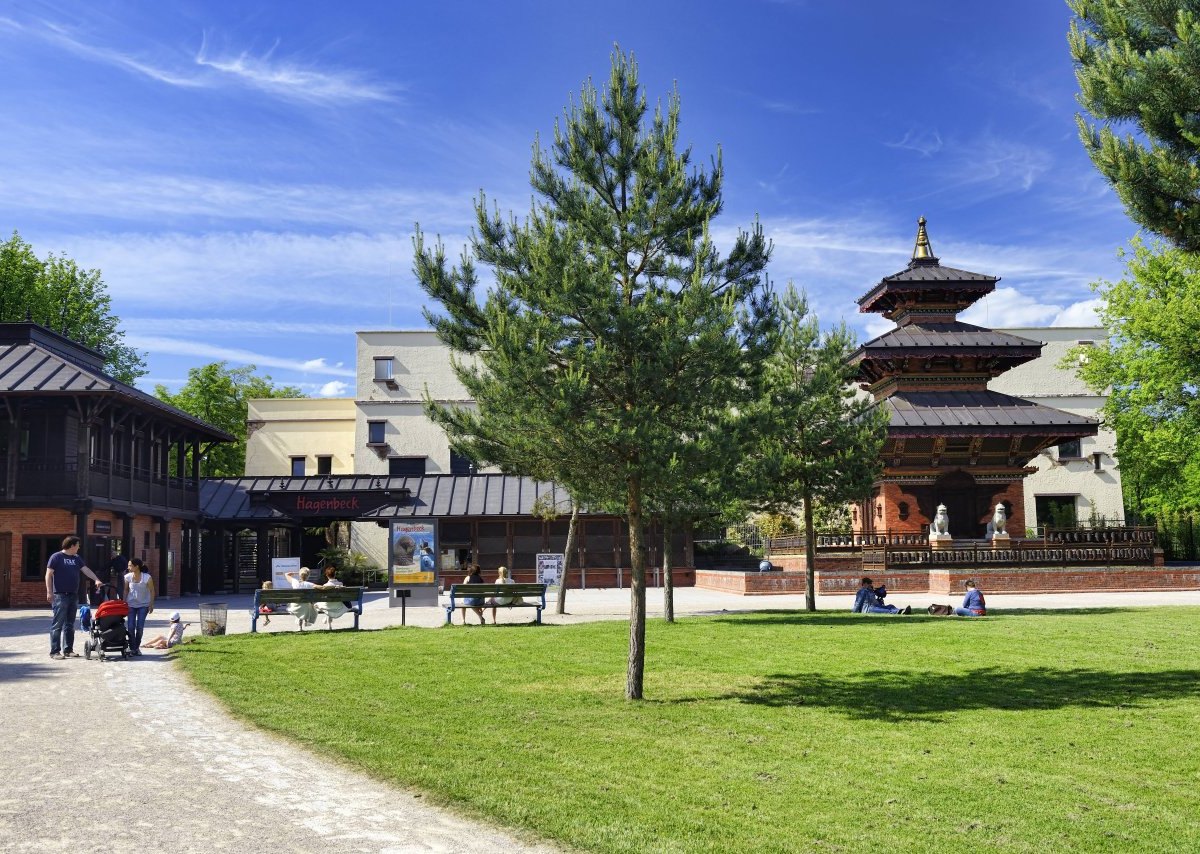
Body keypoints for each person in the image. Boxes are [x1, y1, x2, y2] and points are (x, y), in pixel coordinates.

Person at [45, 536, 103, 659]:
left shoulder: (76, 558)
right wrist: (49, 592)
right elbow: (48, 575)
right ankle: (55, 652)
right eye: (77, 545)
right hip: (60, 595)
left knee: (70, 624)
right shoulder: (56, 557)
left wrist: (96, 579)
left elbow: (85, 570)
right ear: (72, 546)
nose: (79, 547)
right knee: (57, 624)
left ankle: (68, 649)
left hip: (73, 595)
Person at [124, 558, 155, 655]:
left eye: (130, 565)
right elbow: (125, 590)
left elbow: (152, 591)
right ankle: (132, 648)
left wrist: (151, 604)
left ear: (136, 566)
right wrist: (124, 602)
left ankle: (136, 647)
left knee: (140, 627)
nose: (128, 567)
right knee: (130, 627)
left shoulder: (147, 577)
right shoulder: (127, 577)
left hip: (144, 605)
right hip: (131, 605)